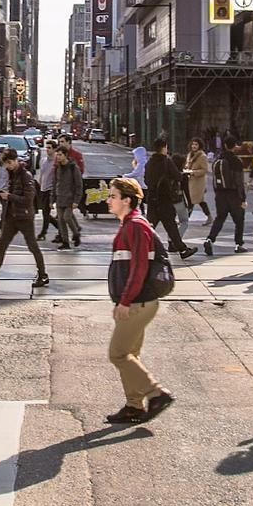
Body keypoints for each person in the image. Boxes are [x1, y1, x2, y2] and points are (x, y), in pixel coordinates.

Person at [104, 177, 174, 425]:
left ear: (127, 200)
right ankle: (134, 406)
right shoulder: (129, 224)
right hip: (137, 301)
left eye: (113, 196)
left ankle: (156, 393)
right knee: (130, 353)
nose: (108, 200)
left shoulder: (136, 226)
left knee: (118, 354)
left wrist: (124, 301)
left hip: (138, 302)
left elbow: (139, 268)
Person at [0, 147, 49, 289]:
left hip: (24, 217)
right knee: (1, 247)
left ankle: (43, 274)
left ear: (14, 161)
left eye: (8, 163)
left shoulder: (25, 175)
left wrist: (9, 196)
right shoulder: (12, 173)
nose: (7, 167)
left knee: (33, 246)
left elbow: (28, 198)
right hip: (11, 216)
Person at [143, 137, 195, 258]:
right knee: (171, 226)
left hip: (152, 198)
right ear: (164, 147)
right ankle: (182, 250)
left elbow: (146, 180)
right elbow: (177, 176)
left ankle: (139, 247)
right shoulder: (167, 161)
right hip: (165, 199)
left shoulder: (149, 163)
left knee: (149, 226)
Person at [205, 140, 248, 254]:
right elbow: (239, 182)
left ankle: (210, 239)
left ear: (224, 145)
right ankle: (238, 244)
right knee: (239, 220)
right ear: (235, 146)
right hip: (233, 194)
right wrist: (243, 198)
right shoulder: (236, 161)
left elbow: (215, 180)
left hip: (220, 194)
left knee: (219, 218)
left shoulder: (218, 160)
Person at [51, 144, 84, 250]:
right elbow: (55, 183)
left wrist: (76, 200)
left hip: (70, 198)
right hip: (60, 197)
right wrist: (52, 200)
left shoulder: (73, 167)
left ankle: (76, 234)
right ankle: (65, 242)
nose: (58, 157)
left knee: (67, 217)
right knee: (60, 220)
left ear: (65, 155)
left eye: (60, 155)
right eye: (57, 155)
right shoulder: (57, 168)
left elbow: (79, 185)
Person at [184, 139, 212, 222]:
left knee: (193, 200)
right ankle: (209, 217)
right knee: (197, 200)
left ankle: (185, 218)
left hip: (198, 182)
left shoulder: (202, 156)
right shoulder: (190, 154)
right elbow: (187, 165)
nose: (194, 146)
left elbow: (205, 170)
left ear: (199, 146)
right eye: (193, 144)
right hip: (190, 181)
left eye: (196, 144)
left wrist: (193, 172)